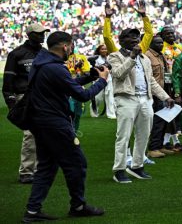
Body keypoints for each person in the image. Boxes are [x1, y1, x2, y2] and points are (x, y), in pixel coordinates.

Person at [22, 31, 108, 222]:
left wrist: (90, 76)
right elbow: (82, 95)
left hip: (41, 122)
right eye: (71, 46)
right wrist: (102, 81)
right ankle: (78, 206)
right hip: (55, 123)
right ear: (65, 47)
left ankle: (32, 211)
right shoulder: (55, 68)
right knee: (76, 163)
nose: (72, 49)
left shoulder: (43, 63)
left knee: (47, 167)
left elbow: (66, 84)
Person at [108, 28, 174, 183]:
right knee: (123, 136)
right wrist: (131, 57)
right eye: (131, 37)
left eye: (137, 37)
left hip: (145, 99)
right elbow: (118, 74)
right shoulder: (114, 56)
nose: (135, 40)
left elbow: (151, 81)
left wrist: (166, 97)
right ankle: (119, 169)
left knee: (143, 135)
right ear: (121, 40)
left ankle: (137, 166)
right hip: (126, 99)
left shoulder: (144, 58)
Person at [3, 23, 49, 185]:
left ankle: (40, 170)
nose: (42, 36)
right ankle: (26, 172)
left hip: (44, 97)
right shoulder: (16, 54)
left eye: (43, 33)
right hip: (25, 98)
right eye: (38, 33)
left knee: (44, 135)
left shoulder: (45, 53)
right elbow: (8, 81)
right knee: (30, 136)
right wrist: (11, 103)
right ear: (29, 35)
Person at [145, 36, 176, 158]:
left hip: (164, 92)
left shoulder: (161, 55)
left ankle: (160, 146)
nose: (160, 45)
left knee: (163, 121)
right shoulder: (147, 56)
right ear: (150, 43)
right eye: (157, 43)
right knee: (157, 122)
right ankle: (153, 148)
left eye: (161, 43)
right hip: (154, 94)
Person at [160, 26, 182, 153]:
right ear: (162, 35)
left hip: (178, 82)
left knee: (175, 112)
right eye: (167, 33)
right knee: (168, 110)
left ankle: (169, 140)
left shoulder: (180, 47)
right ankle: (170, 141)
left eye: (172, 32)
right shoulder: (161, 47)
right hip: (165, 84)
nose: (171, 35)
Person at [66, 41, 91, 133]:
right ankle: (69, 133)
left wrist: (79, 69)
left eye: (72, 44)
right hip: (64, 90)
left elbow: (87, 74)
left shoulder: (80, 58)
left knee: (77, 114)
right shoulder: (59, 59)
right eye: (68, 44)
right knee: (69, 112)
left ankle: (74, 133)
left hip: (77, 89)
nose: (70, 46)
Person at [89, 44, 116, 119]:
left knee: (110, 97)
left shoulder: (110, 57)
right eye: (102, 49)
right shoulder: (95, 58)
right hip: (98, 79)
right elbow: (92, 69)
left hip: (109, 79)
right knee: (98, 98)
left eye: (105, 49)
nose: (104, 50)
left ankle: (111, 114)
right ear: (99, 50)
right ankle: (94, 111)